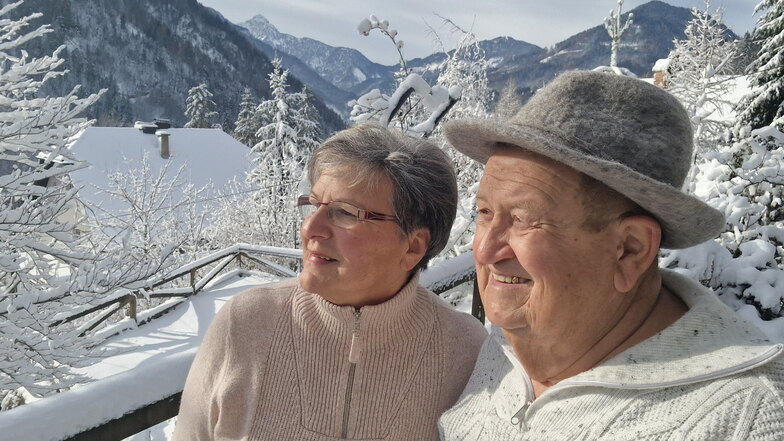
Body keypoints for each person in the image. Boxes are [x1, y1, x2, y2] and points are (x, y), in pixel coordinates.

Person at [438, 71, 784, 440]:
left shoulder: (746, 420)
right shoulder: (509, 340)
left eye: (523, 220)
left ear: (630, 249)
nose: (484, 249)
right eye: (484, 213)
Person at [172, 123, 487, 441]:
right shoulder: (245, 324)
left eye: (345, 213)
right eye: (314, 205)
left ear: (413, 246)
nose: (311, 228)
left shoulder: (464, 352)